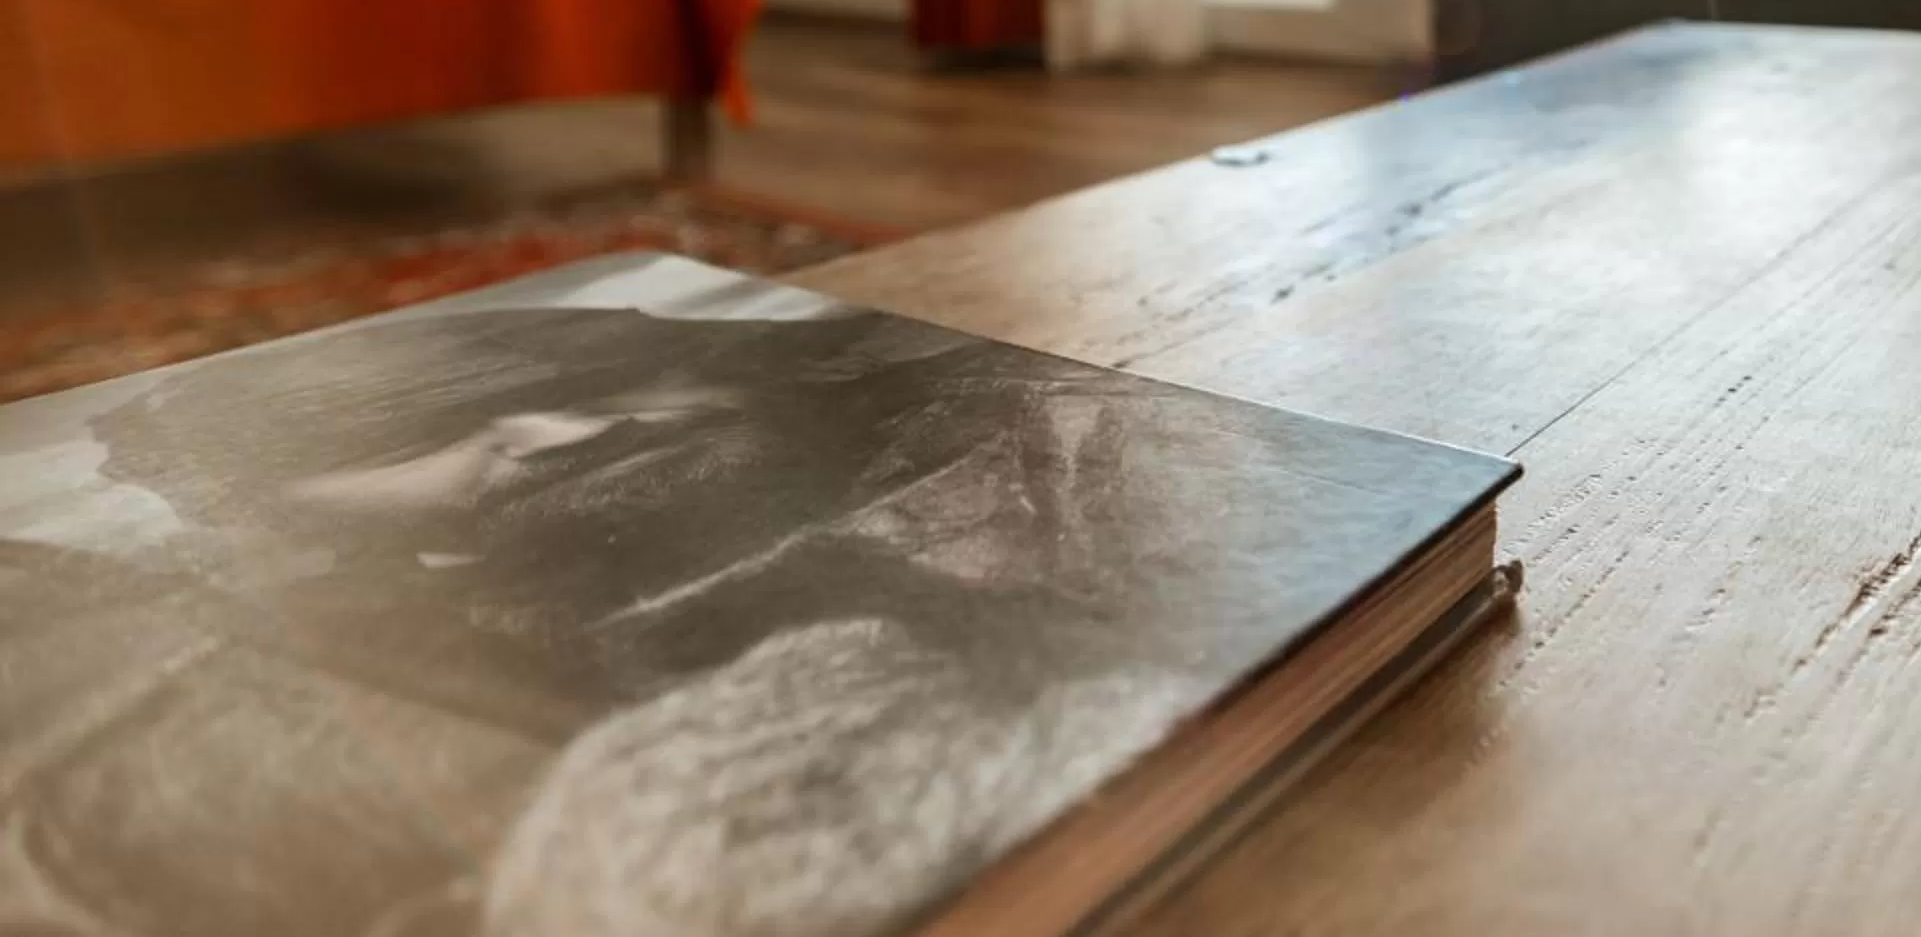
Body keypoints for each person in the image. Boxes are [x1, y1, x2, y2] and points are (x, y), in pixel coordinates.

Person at [0, 299, 1208, 937]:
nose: (539, 443)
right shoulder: (447, 639)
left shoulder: (1045, 439)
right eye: (448, 461)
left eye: (545, 402)